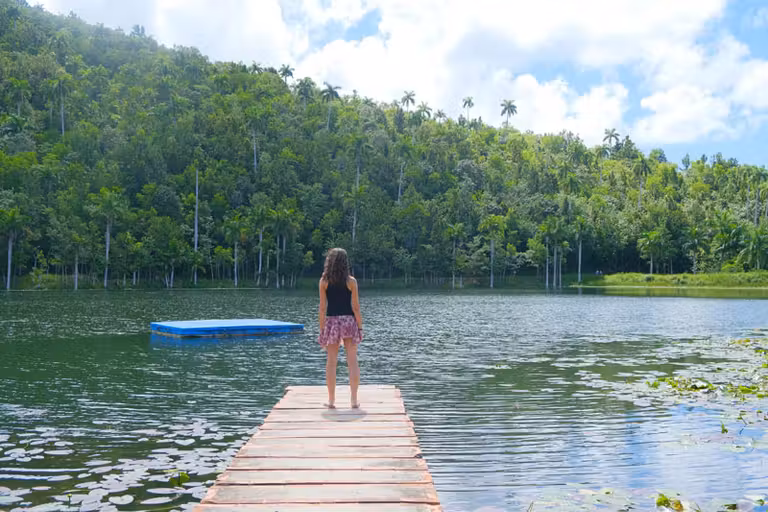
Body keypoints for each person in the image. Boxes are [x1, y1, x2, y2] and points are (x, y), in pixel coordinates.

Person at [317, 248, 363, 409]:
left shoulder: (324, 281)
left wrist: (322, 329)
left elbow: (322, 308)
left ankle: (331, 401)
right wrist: (360, 326)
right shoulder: (351, 282)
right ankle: (354, 400)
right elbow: (355, 307)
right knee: (352, 361)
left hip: (332, 322)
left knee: (331, 362)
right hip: (348, 321)